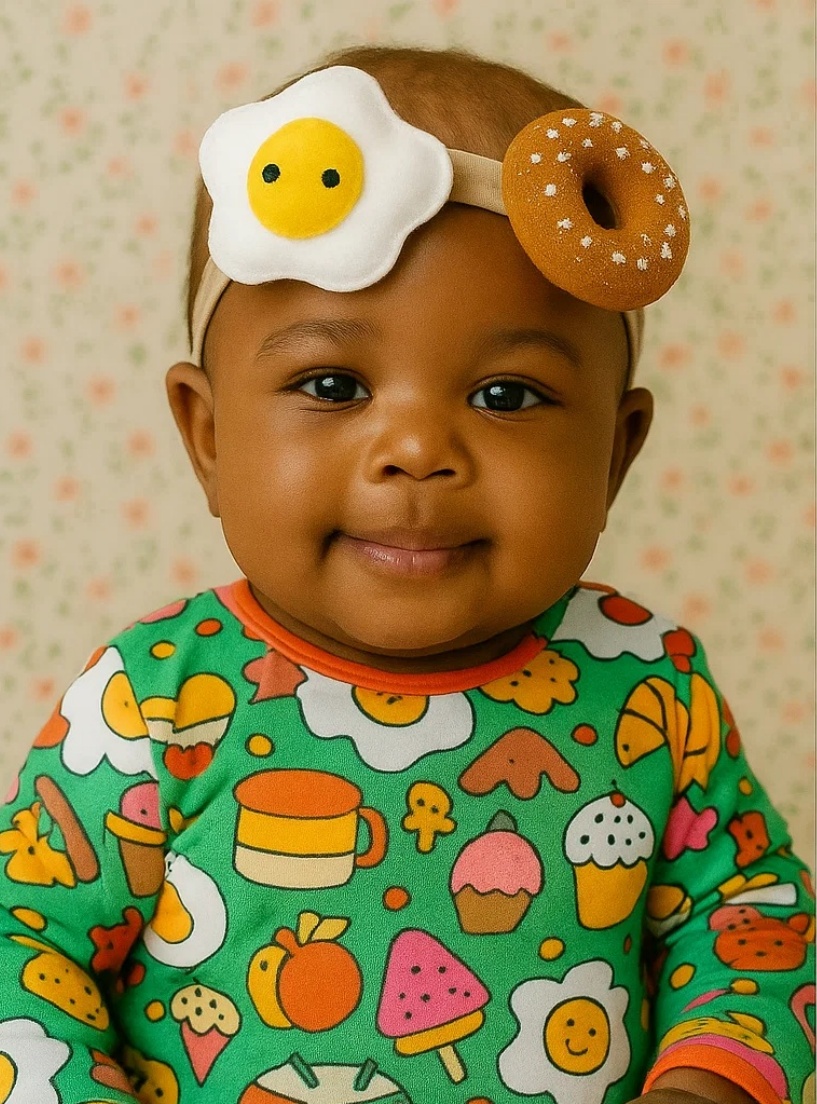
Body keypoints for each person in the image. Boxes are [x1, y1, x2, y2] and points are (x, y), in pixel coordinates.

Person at [0, 43, 812, 1104]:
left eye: (508, 396)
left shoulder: (651, 692)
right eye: (333, 383)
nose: (416, 450)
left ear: (616, 453)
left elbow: (747, 916)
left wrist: (707, 1081)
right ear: (207, 435)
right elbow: (26, 953)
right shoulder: (155, 702)